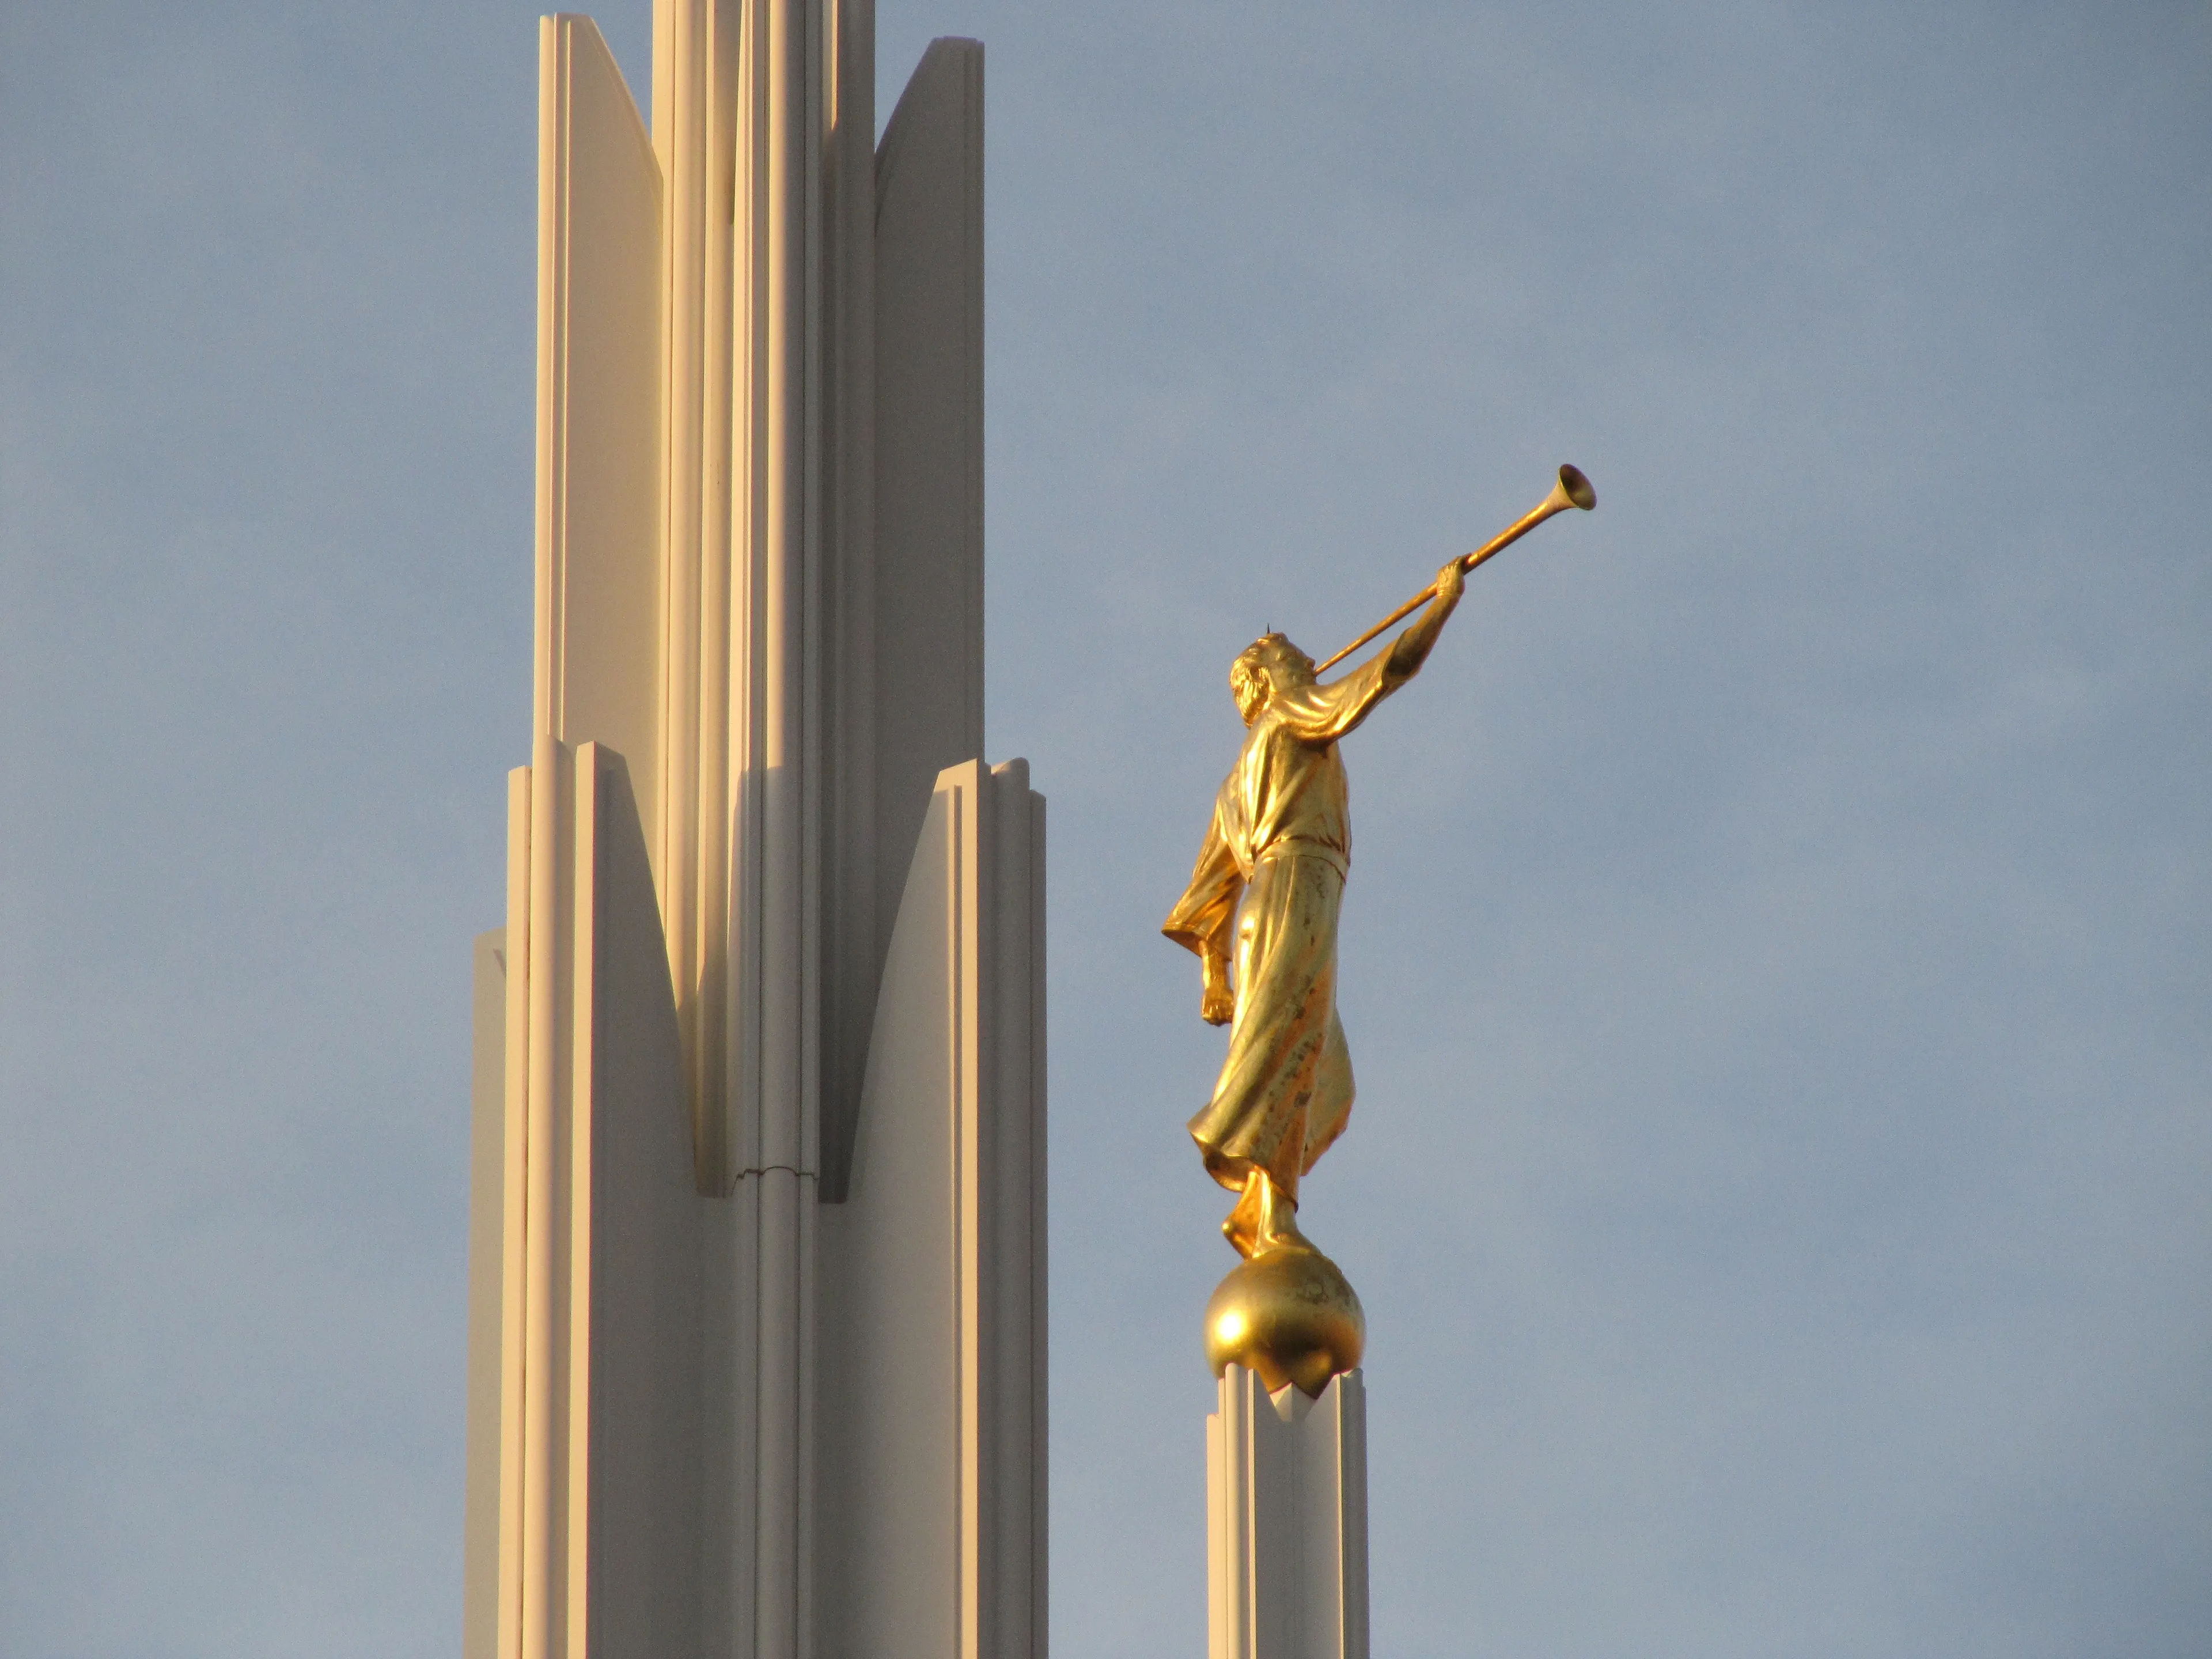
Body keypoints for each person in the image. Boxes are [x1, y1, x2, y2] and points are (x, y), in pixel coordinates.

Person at [1163, 559, 1466, 1259]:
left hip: (1293, 897)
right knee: (1289, 1050)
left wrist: (1215, 976)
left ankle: (1262, 1207)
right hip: (1292, 888)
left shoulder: (1237, 779)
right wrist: (1443, 606)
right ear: (1266, 682)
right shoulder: (1289, 716)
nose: (1305, 659)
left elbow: (1207, 896)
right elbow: (1381, 677)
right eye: (1290, 656)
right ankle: (1271, 1215)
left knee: (1324, 1070)